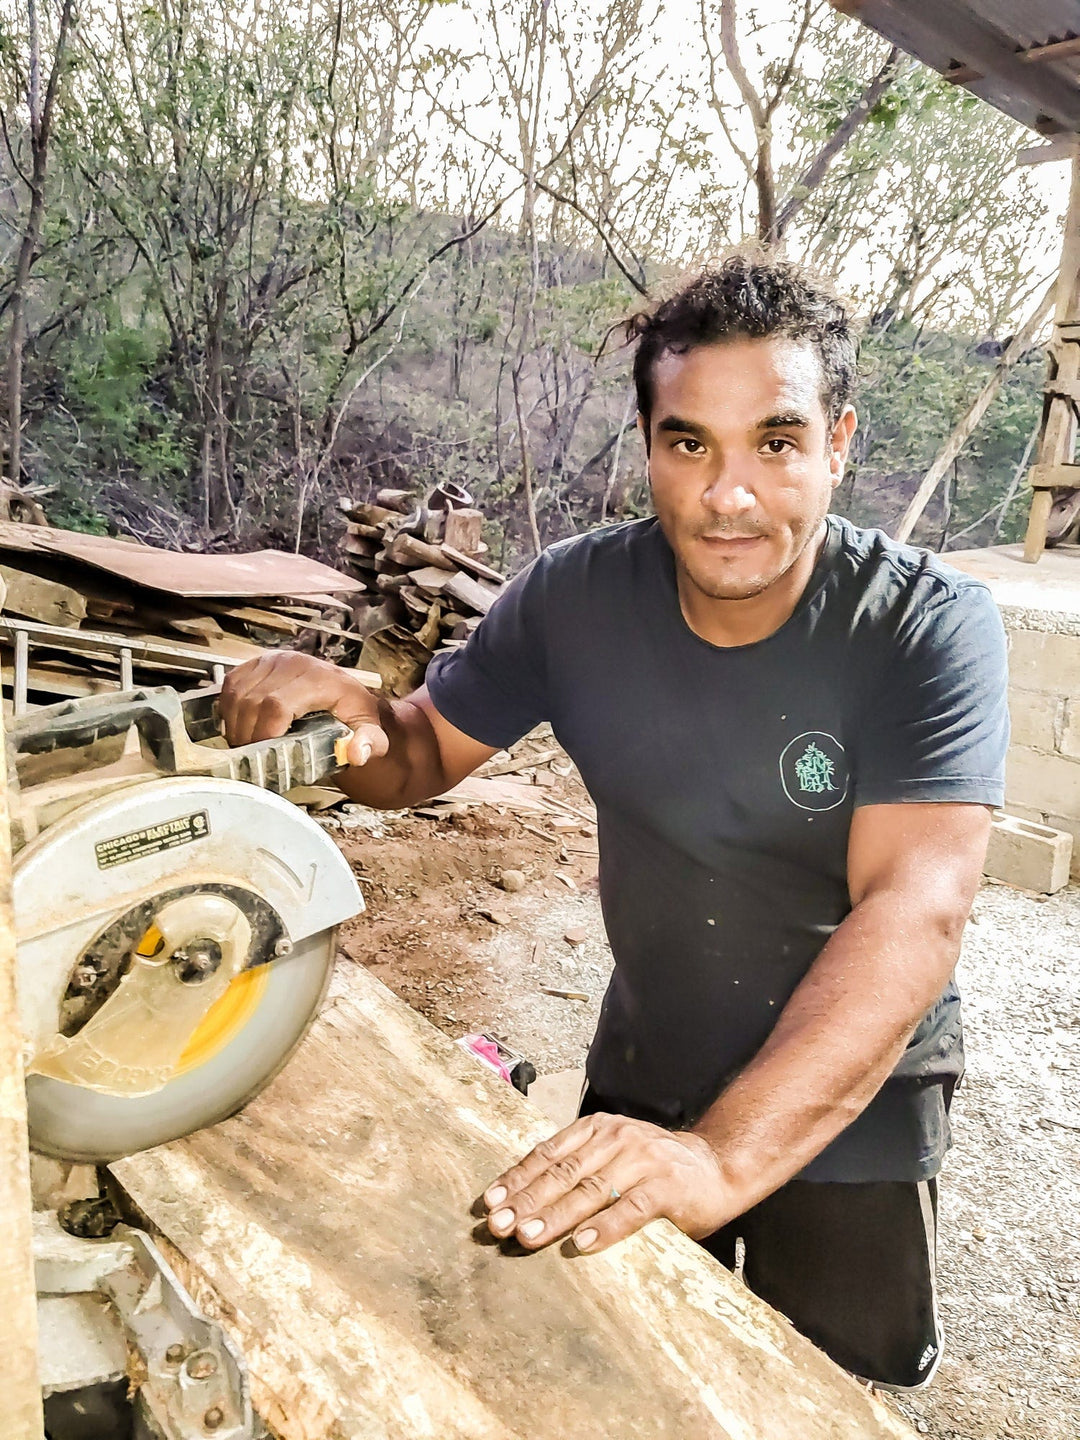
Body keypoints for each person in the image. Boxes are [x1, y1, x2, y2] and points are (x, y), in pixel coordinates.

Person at [219, 253, 1009, 1390]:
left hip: (854, 1108)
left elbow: (915, 910)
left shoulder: (924, 630)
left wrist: (721, 1158)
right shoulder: (577, 599)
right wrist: (349, 715)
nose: (729, 494)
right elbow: (420, 755)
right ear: (648, 446)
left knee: (823, 1396)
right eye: (690, 443)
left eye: (776, 443)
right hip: (652, 1060)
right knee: (610, 1370)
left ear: (839, 443)